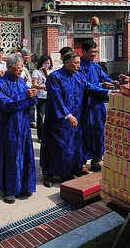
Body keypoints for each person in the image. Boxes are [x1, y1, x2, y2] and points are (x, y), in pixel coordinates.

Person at [41, 51, 110, 188]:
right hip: (58, 121)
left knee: (70, 149)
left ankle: (67, 174)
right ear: (67, 63)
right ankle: (48, 175)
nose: (79, 65)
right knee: (54, 149)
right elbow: (56, 99)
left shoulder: (79, 77)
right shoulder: (55, 77)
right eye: (76, 63)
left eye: (79, 63)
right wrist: (67, 115)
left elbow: (90, 88)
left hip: (74, 121)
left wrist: (109, 93)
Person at [0, 54, 38, 204]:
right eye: (19, 67)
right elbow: (6, 105)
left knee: (25, 155)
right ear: (10, 66)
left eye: (22, 67)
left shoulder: (21, 82)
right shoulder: (0, 84)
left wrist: (32, 95)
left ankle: (26, 186)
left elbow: (30, 101)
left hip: (24, 125)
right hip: (9, 127)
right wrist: (24, 96)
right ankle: (10, 190)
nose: (21, 70)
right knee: (11, 157)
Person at [79, 40, 116, 172]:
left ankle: (97, 159)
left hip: (97, 106)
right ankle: (81, 160)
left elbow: (104, 77)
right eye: (92, 52)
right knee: (84, 133)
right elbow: (83, 85)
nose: (94, 54)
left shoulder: (95, 66)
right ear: (83, 52)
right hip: (84, 105)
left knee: (99, 132)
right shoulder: (78, 66)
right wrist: (102, 86)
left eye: (96, 51)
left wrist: (110, 82)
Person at [32, 54, 52, 142]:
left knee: (49, 116)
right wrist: (42, 87)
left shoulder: (51, 71)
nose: (47, 65)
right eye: (45, 63)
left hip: (49, 96)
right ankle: (40, 136)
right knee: (40, 116)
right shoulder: (37, 72)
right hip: (41, 96)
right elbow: (34, 84)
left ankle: (48, 134)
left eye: (48, 63)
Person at [21, 48, 36, 128]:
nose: (27, 57)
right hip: (23, 88)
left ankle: (32, 121)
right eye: (25, 55)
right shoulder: (20, 65)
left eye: (28, 55)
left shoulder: (31, 64)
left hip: (30, 86)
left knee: (32, 106)